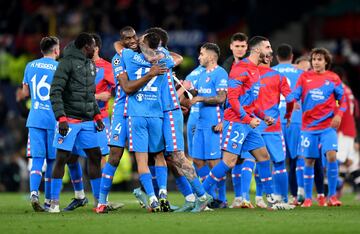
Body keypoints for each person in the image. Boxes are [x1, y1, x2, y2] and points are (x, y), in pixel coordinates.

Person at [201, 36, 294, 210]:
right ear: (257, 50)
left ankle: (270, 199)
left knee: (263, 156)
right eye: (268, 47)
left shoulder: (256, 70)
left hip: (249, 121)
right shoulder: (240, 68)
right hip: (236, 121)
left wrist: (262, 115)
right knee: (229, 162)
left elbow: (251, 102)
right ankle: (201, 195)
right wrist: (247, 119)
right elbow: (233, 99)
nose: (271, 51)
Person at [145, 27, 213, 212]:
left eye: (145, 40)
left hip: (170, 111)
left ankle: (202, 196)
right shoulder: (162, 56)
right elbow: (177, 58)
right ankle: (191, 198)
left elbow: (175, 58)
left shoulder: (159, 56)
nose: (142, 43)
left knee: (177, 155)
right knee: (168, 156)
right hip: (162, 112)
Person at [48, 32, 105, 213]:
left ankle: (99, 203)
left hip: (88, 120)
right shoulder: (66, 63)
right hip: (69, 119)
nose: (95, 48)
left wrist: (97, 116)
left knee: (95, 156)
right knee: (62, 158)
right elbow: (55, 91)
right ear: (85, 46)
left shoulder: (90, 65)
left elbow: (89, 95)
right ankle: (54, 203)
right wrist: (61, 117)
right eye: (93, 45)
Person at [63, 33, 117, 211]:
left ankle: (101, 200)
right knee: (70, 157)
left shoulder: (107, 67)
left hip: (98, 120)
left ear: (96, 48)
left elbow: (115, 91)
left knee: (99, 157)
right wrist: (96, 95)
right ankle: (80, 195)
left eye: (88, 46)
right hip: (76, 118)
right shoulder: (77, 66)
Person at [290, 48, 346, 207]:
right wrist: (293, 100)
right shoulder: (304, 77)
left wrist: (338, 115)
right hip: (308, 128)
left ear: (326, 62)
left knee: (332, 156)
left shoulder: (333, 78)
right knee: (309, 161)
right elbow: (296, 93)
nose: (316, 62)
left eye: (319, 59)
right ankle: (308, 198)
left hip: (328, 126)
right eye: (314, 59)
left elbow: (341, 100)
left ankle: (332, 196)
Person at [21, 36, 60, 211]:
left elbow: (25, 92)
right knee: (52, 160)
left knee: (37, 159)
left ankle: (34, 193)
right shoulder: (59, 68)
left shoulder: (30, 66)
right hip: (54, 119)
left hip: (35, 118)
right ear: (56, 50)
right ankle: (50, 201)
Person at [189, 43, 228, 207]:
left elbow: (221, 98)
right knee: (197, 160)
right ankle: (210, 197)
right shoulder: (201, 74)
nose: (199, 57)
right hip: (200, 122)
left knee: (214, 162)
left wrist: (201, 99)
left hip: (214, 122)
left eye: (202, 54)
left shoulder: (220, 73)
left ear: (212, 57)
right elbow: (196, 94)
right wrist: (188, 91)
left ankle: (222, 199)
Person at [272, 44, 305, 204]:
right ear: (292, 57)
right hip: (296, 119)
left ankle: (277, 194)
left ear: (277, 57)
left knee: (277, 159)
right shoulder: (301, 73)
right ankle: (299, 193)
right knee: (298, 157)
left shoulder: (272, 72)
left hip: (275, 120)